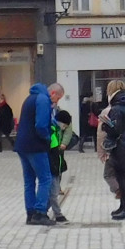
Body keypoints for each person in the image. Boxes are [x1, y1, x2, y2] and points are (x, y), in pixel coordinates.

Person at [13, 81, 54, 226]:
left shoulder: (29, 98)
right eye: (57, 98)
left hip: (22, 144)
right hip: (36, 145)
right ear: (53, 93)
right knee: (45, 179)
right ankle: (40, 213)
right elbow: (41, 125)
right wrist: (48, 138)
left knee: (29, 181)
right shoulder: (43, 100)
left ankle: (30, 213)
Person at [98, 81, 125, 221]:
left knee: (121, 179)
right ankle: (124, 207)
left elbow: (116, 130)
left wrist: (106, 125)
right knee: (124, 179)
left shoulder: (116, 108)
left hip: (121, 147)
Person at [46, 83, 72, 224]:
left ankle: (44, 211)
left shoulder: (56, 126)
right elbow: (52, 148)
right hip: (52, 163)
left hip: (56, 162)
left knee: (53, 190)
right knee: (53, 190)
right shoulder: (53, 130)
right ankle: (57, 214)